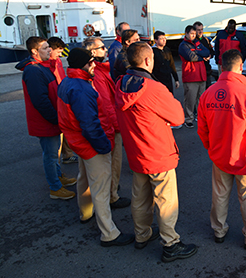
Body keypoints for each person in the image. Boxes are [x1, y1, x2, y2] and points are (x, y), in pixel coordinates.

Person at [114, 41, 197, 262]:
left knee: (140, 197)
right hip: (158, 152)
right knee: (165, 201)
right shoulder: (153, 88)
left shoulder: (120, 83)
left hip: (135, 150)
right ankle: (170, 243)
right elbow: (178, 117)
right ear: (148, 60)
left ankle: (142, 235)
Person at [57, 48, 134, 247]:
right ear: (82, 63)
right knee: (100, 189)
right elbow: (89, 125)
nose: (94, 64)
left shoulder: (68, 83)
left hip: (79, 143)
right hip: (90, 144)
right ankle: (109, 233)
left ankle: (85, 212)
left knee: (84, 178)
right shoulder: (82, 88)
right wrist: (104, 146)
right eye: (91, 61)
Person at [197, 49, 246, 251]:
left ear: (221, 67)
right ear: (240, 67)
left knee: (219, 195)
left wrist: (211, 147)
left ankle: (219, 230)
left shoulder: (207, 93)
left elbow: (202, 128)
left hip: (219, 154)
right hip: (245, 156)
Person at [15, 36, 77, 200]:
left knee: (54, 153)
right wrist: (55, 118)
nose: (49, 50)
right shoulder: (34, 70)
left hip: (51, 119)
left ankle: (58, 178)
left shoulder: (42, 67)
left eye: (49, 47)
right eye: (45, 48)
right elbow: (40, 101)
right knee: (50, 155)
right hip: (46, 121)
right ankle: (55, 187)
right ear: (34, 51)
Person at [83, 37, 131, 210]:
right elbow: (106, 104)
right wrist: (118, 127)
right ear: (93, 52)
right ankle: (112, 196)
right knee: (114, 162)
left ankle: (109, 192)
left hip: (106, 125)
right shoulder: (97, 74)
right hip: (109, 126)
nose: (106, 49)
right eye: (102, 47)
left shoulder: (100, 70)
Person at [47, 37, 78, 164]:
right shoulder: (47, 64)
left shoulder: (57, 61)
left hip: (61, 97)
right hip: (56, 100)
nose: (60, 55)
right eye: (59, 52)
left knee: (65, 129)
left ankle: (67, 154)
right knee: (57, 138)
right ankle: (57, 167)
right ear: (50, 50)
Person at [178, 25, 210, 128]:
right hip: (191, 76)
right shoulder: (183, 45)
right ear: (186, 33)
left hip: (201, 75)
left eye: (194, 34)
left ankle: (199, 116)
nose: (193, 36)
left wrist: (196, 52)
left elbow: (207, 51)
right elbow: (191, 57)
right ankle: (189, 119)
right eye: (191, 34)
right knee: (190, 99)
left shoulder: (197, 42)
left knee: (201, 98)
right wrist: (202, 56)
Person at [193, 21, 215, 88]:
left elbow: (212, 51)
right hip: (196, 71)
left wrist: (210, 56)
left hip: (206, 70)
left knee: (208, 89)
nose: (200, 32)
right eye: (198, 30)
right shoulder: (192, 42)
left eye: (201, 29)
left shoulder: (205, 40)